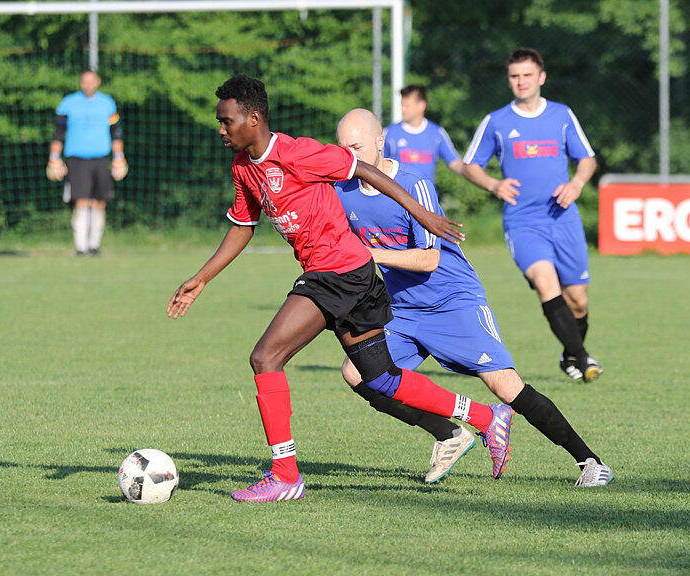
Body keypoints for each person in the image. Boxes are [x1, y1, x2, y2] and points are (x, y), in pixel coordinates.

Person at [167, 75, 515, 503]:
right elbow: (242, 227)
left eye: (226, 120)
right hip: (351, 275)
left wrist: (423, 215)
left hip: (337, 274)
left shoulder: (298, 152)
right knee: (381, 379)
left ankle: (285, 475)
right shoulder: (243, 167)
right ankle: (486, 416)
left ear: (253, 118)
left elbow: (366, 170)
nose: (221, 129)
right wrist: (201, 278)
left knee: (265, 357)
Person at [334, 108, 613, 487]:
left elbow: (429, 258)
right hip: (403, 308)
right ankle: (450, 434)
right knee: (359, 374)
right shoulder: (342, 189)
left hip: (453, 301)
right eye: (343, 148)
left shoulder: (413, 185)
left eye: (357, 146)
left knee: (505, 386)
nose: (349, 155)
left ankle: (590, 462)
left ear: (381, 141)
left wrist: (371, 255)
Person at [461, 48, 602, 382]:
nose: (521, 82)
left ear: (541, 77)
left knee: (578, 301)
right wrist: (494, 185)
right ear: (509, 80)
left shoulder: (562, 115)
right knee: (544, 283)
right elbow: (470, 166)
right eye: (514, 76)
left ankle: (570, 354)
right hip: (523, 222)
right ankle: (583, 359)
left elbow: (587, 159)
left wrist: (577, 183)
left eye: (527, 75)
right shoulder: (496, 121)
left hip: (563, 218)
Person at [46, 69, 128, 255]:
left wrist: (119, 158)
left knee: (100, 201)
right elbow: (58, 134)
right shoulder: (68, 103)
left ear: (97, 82)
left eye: (91, 81)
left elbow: (116, 133)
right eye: (84, 81)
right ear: (80, 82)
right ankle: (80, 247)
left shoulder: (107, 103)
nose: (88, 85)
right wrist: (54, 159)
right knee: (81, 200)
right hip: (76, 158)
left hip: (100, 158)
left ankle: (94, 245)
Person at [382, 85, 463, 184]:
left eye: (407, 105)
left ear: (421, 106)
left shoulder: (437, 133)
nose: (403, 109)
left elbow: (456, 164)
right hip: (396, 198)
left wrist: (474, 172)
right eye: (402, 105)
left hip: (426, 198)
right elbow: (377, 166)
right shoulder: (389, 133)